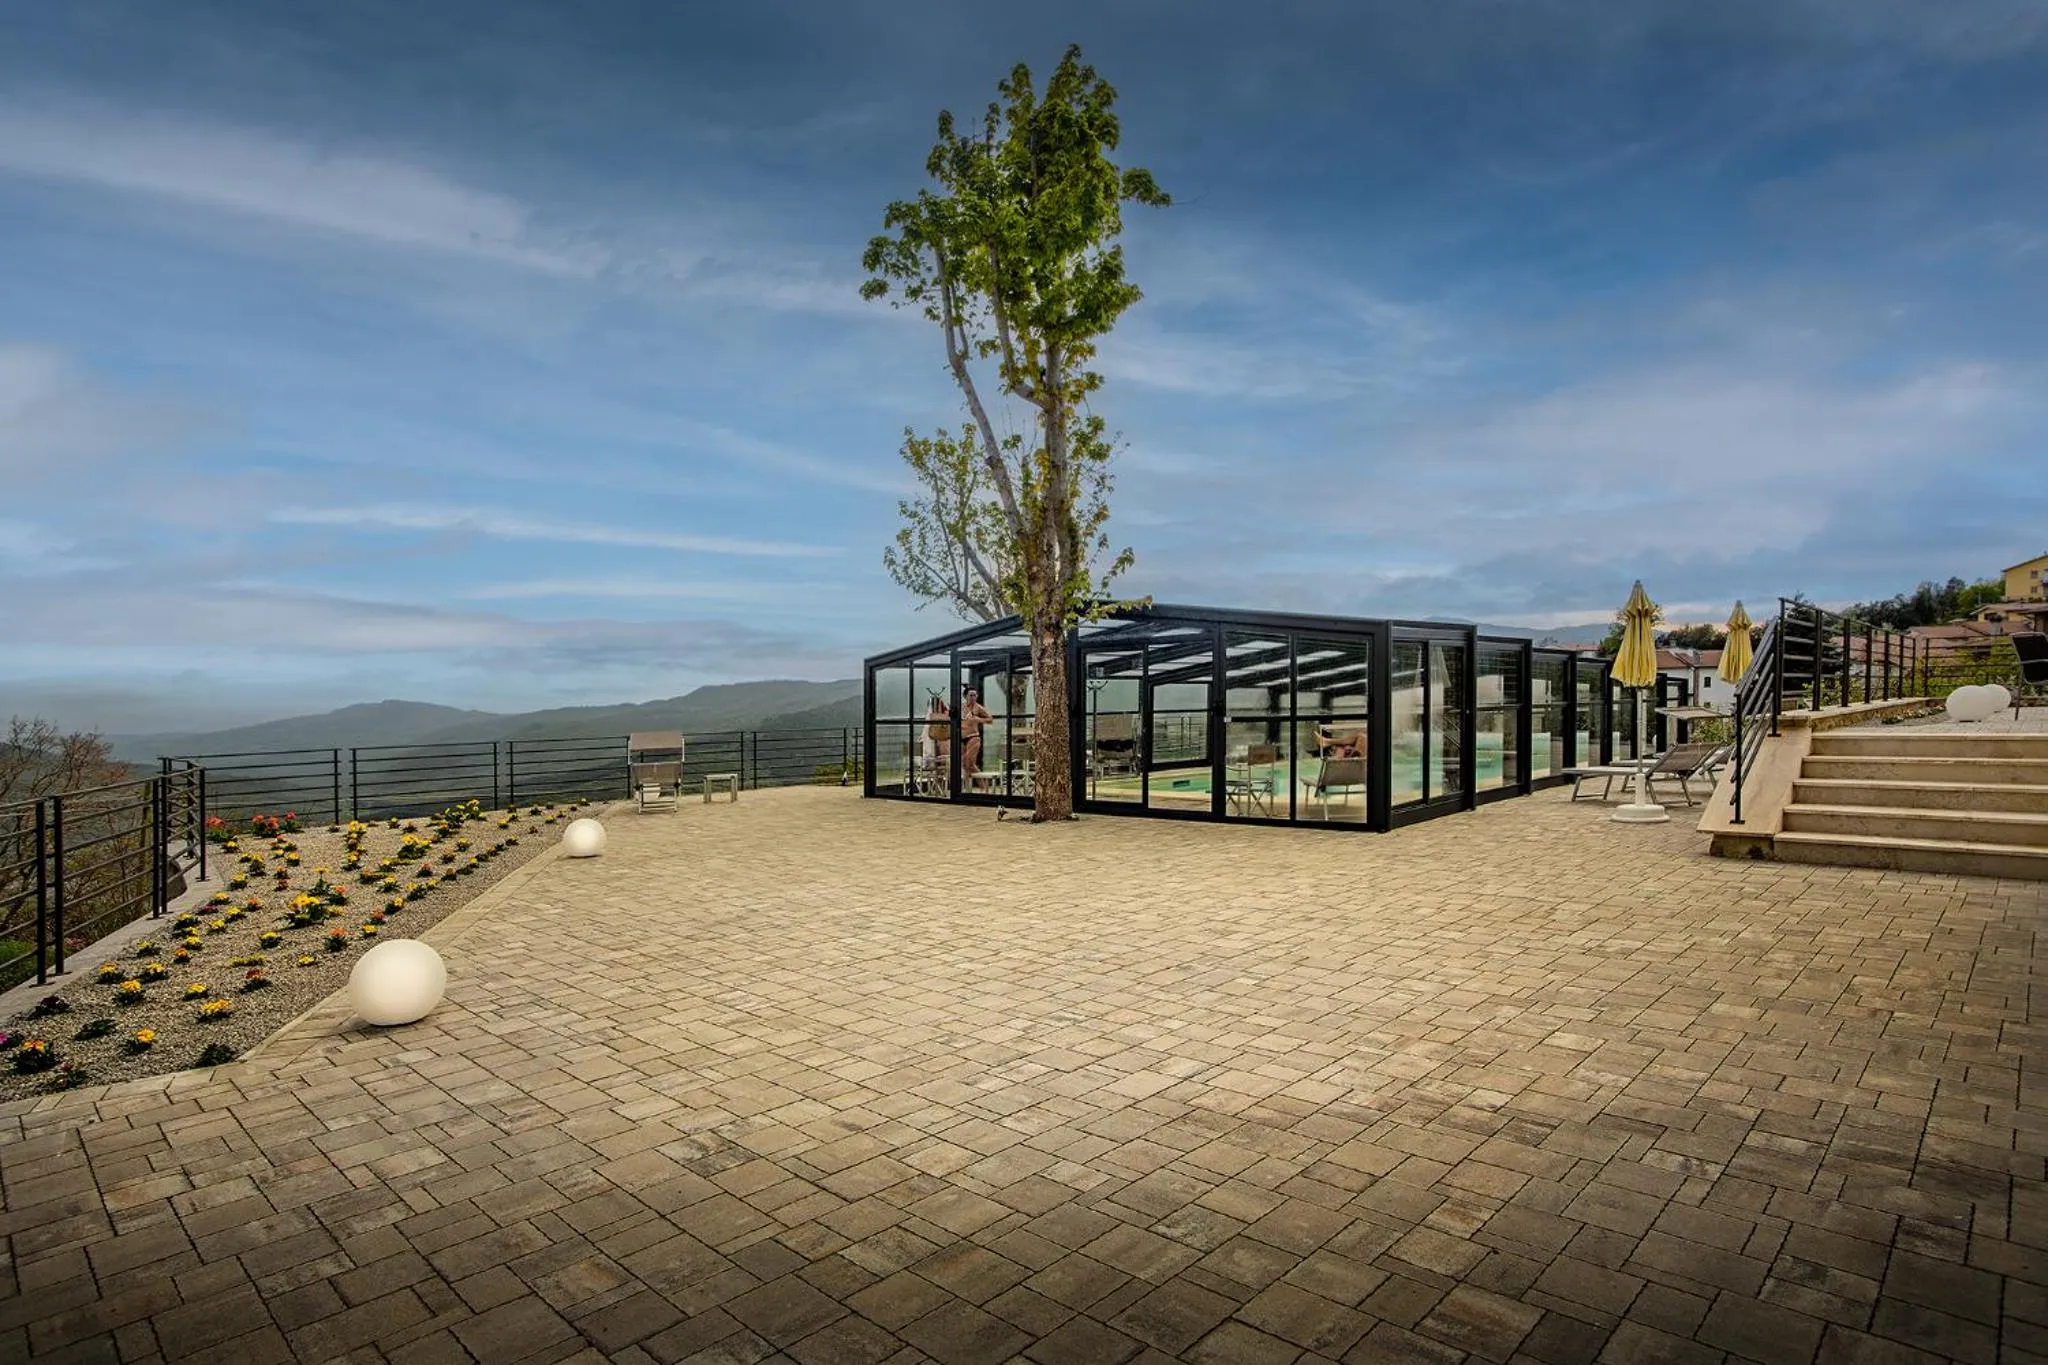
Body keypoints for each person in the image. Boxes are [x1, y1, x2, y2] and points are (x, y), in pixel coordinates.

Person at [959, 688, 994, 779]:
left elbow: (990, 719)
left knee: (969, 762)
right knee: (964, 764)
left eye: (975, 695)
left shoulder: (978, 708)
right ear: (965, 696)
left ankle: (984, 786)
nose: (973, 697)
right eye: (971, 695)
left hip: (973, 737)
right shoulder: (961, 707)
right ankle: (968, 789)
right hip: (962, 737)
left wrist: (978, 719)